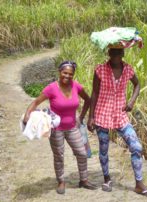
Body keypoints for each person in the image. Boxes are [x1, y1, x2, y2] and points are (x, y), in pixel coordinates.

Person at [87, 48, 147, 198]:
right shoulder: (100, 70)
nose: (115, 56)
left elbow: (137, 85)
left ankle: (139, 184)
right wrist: (91, 116)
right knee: (103, 148)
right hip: (102, 114)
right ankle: (107, 179)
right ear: (108, 54)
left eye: (118, 53)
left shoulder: (128, 70)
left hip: (121, 115)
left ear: (123, 54)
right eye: (112, 53)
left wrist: (131, 101)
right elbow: (94, 93)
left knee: (136, 146)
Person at [23, 61, 97, 194]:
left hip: (73, 127)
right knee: (59, 156)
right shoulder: (51, 88)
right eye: (65, 73)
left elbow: (88, 99)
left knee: (81, 152)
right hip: (56, 129)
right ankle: (61, 181)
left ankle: (84, 180)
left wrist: (81, 117)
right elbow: (36, 102)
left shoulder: (76, 86)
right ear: (59, 72)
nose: (67, 76)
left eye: (70, 74)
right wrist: (27, 114)